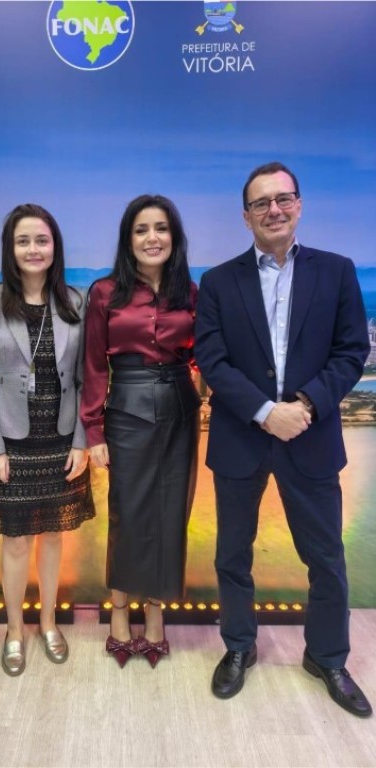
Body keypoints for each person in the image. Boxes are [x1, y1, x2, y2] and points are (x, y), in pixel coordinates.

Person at [194, 161, 372, 717]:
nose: (273, 209)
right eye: (260, 203)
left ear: (299, 205)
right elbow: (212, 360)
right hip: (241, 436)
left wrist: (307, 405)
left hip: (310, 436)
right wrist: (266, 412)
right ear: (245, 216)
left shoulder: (337, 271)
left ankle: (327, 657)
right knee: (232, 554)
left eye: (283, 199)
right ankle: (239, 647)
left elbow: (351, 351)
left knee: (326, 557)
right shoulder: (218, 282)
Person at [0, 203, 95, 677]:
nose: (33, 249)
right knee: (17, 540)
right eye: (23, 241)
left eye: (42, 240)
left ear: (55, 246)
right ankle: (14, 630)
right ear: (10, 248)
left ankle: (48, 623)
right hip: (12, 442)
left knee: (54, 536)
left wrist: (81, 441)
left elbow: (85, 380)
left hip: (61, 440)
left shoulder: (76, 300)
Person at [81, 194, 200, 669]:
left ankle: (155, 614)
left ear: (174, 237)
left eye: (161, 228)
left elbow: (204, 354)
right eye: (142, 229)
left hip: (181, 411)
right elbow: (93, 365)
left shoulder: (191, 292)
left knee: (172, 514)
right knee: (127, 514)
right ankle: (118, 613)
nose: (153, 238)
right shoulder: (104, 293)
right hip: (125, 413)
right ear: (128, 239)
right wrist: (93, 431)